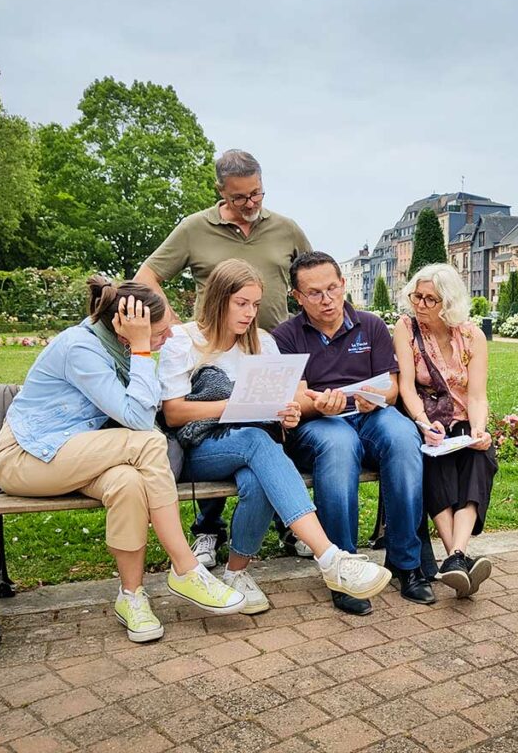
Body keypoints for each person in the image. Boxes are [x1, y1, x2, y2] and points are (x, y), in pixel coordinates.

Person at [0, 277, 246, 644]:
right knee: (148, 443)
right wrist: (143, 350)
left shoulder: (118, 347)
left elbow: (145, 405)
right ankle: (186, 569)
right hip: (26, 457)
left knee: (128, 483)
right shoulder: (81, 348)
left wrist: (142, 349)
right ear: (125, 330)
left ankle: (132, 596)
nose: (169, 337)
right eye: (159, 331)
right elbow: (140, 421)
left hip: (73, 453)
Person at [157, 259, 392, 614]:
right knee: (256, 442)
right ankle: (331, 558)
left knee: (259, 473)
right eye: (241, 303)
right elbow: (173, 412)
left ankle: (236, 573)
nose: (250, 313)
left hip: (252, 448)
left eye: (255, 304)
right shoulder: (183, 340)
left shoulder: (263, 344)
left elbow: (277, 408)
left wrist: (288, 413)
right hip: (198, 450)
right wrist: (235, 406)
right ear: (218, 300)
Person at [134, 149, 311, 565]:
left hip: (266, 348)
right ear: (220, 192)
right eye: (239, 198)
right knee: (223, 425)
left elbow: (311, 275)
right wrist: (177, 327)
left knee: (261, 432)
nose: (250, 204)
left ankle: (278, 535)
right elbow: (147, 276)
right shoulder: (195, 228)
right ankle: (210, 530)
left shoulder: (286, 228)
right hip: (208, 353)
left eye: (257, 194)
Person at [273, 252, 435, 615]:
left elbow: (392, 389)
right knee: (339, 443)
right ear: (296, 297)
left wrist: (374, 397)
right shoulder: (285, 336)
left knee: (403, 434)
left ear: (344, 284)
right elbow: (297, 398)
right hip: (317, 425)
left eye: (332, 288)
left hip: (369, 414)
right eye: (314, 293)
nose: (327, 299)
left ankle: (406, 564)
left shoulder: (370, 325)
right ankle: (343, 569)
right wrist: (320, 405)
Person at [392, 263, 497, 598]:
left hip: (464, 418)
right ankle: (459, 560)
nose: (420, 304)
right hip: (427, 419)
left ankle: (455, 556)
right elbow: (406, 387)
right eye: (416, 296)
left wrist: (479, 430)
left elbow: (477, 394)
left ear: (448, 303)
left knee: (479, 458)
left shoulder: (472, 335)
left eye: (430, 299)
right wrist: (424, 424)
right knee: (438, 462)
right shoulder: (406, 327)